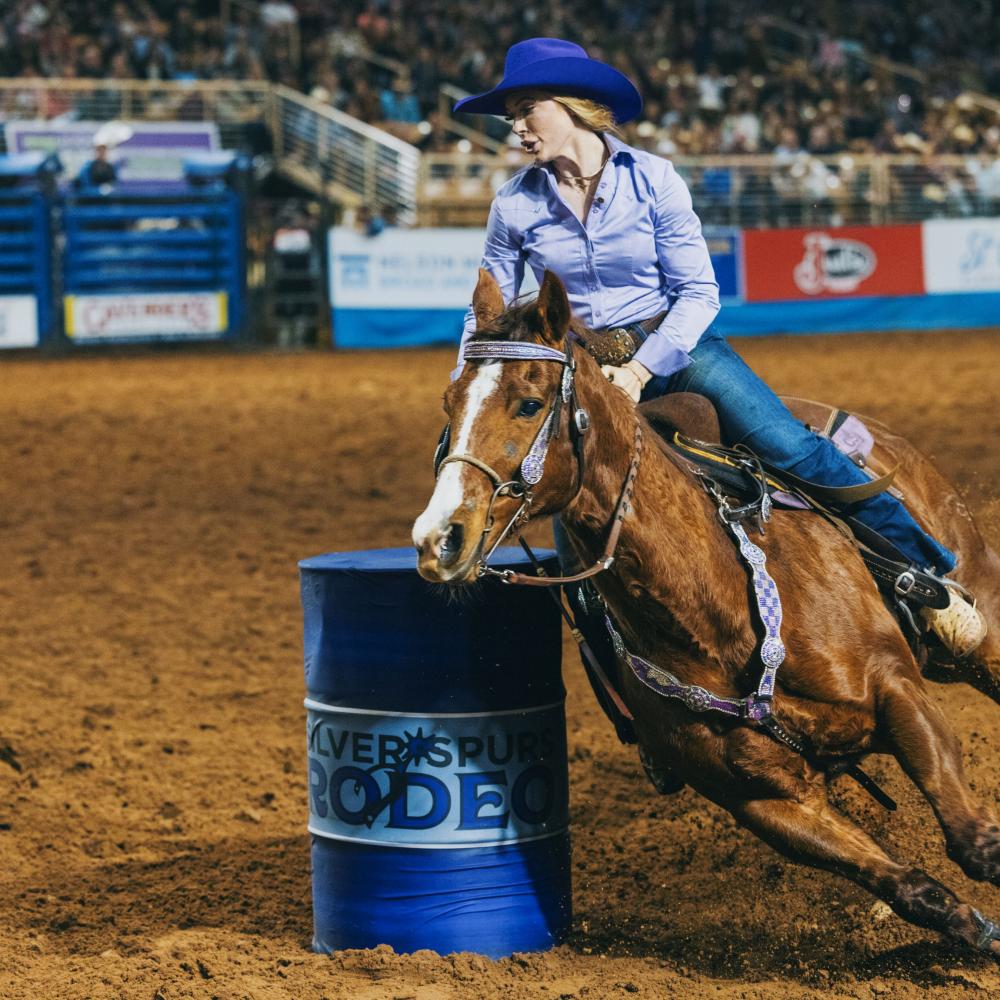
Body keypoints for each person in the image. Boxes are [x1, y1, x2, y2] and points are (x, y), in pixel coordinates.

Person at [452, 37, 986, 659]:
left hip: (675, 348)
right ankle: (630, 698)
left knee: (793, 448)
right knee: (578, 531)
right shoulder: (514, 203)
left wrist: (642, 368)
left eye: (524, 109)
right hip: (585, 372)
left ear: (571, 105)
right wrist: (469, 385)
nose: (515, 126)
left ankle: (932, 578)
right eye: (510, 115)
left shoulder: (653, 179)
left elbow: (700, 294)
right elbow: (485, 313)